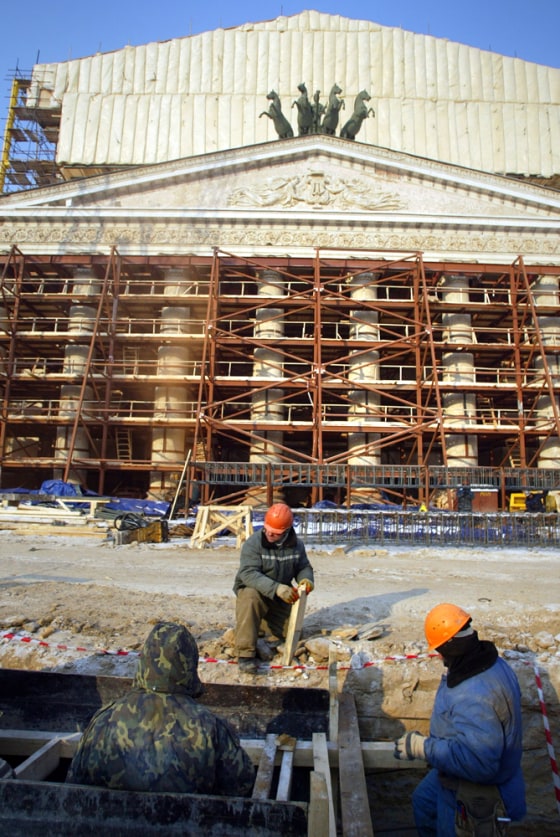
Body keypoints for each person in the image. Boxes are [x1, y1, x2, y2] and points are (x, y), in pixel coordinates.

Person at [66, 621, 255, 796]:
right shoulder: (210, 726)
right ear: (189, 666)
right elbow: (242, 788)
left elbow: (74, 785)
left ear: (144, 661)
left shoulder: (104, 720)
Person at [394, 603, 526, 836]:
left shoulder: (474, 693)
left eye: (439, 650)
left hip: (476, 788)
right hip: (455, 771)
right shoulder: (489, 662)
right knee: (424, 803)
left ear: (449, 647)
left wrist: (423, 748)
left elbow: (479, 763)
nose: (438, 656)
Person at [233, 502, 314, 674]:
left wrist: (306, 580)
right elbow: (247, 573)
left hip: (279, 600)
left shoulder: (296, 546)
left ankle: (258, 624)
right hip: (257, 595)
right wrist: (276, 588)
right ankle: (246, 653)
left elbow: (303, 567)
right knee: (250, 596)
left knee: (291, 634)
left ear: (286, 531)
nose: (269, 533)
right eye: (267, 528)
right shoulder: (253, 544)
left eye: (275, 533)